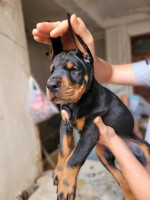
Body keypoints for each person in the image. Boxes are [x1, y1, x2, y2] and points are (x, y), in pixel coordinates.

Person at [32, 14, 150, 200]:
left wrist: (70, 168)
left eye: (73, 69)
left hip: (134, 143)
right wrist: (62, 161)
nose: (52, 82)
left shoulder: (94, 99)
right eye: (53, 72)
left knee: (142, 153)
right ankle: (126, 186)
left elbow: (91, 132)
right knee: (101, 153)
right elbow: (109, 72)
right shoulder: (69, 102)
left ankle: (127, 189)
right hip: (106, 144)